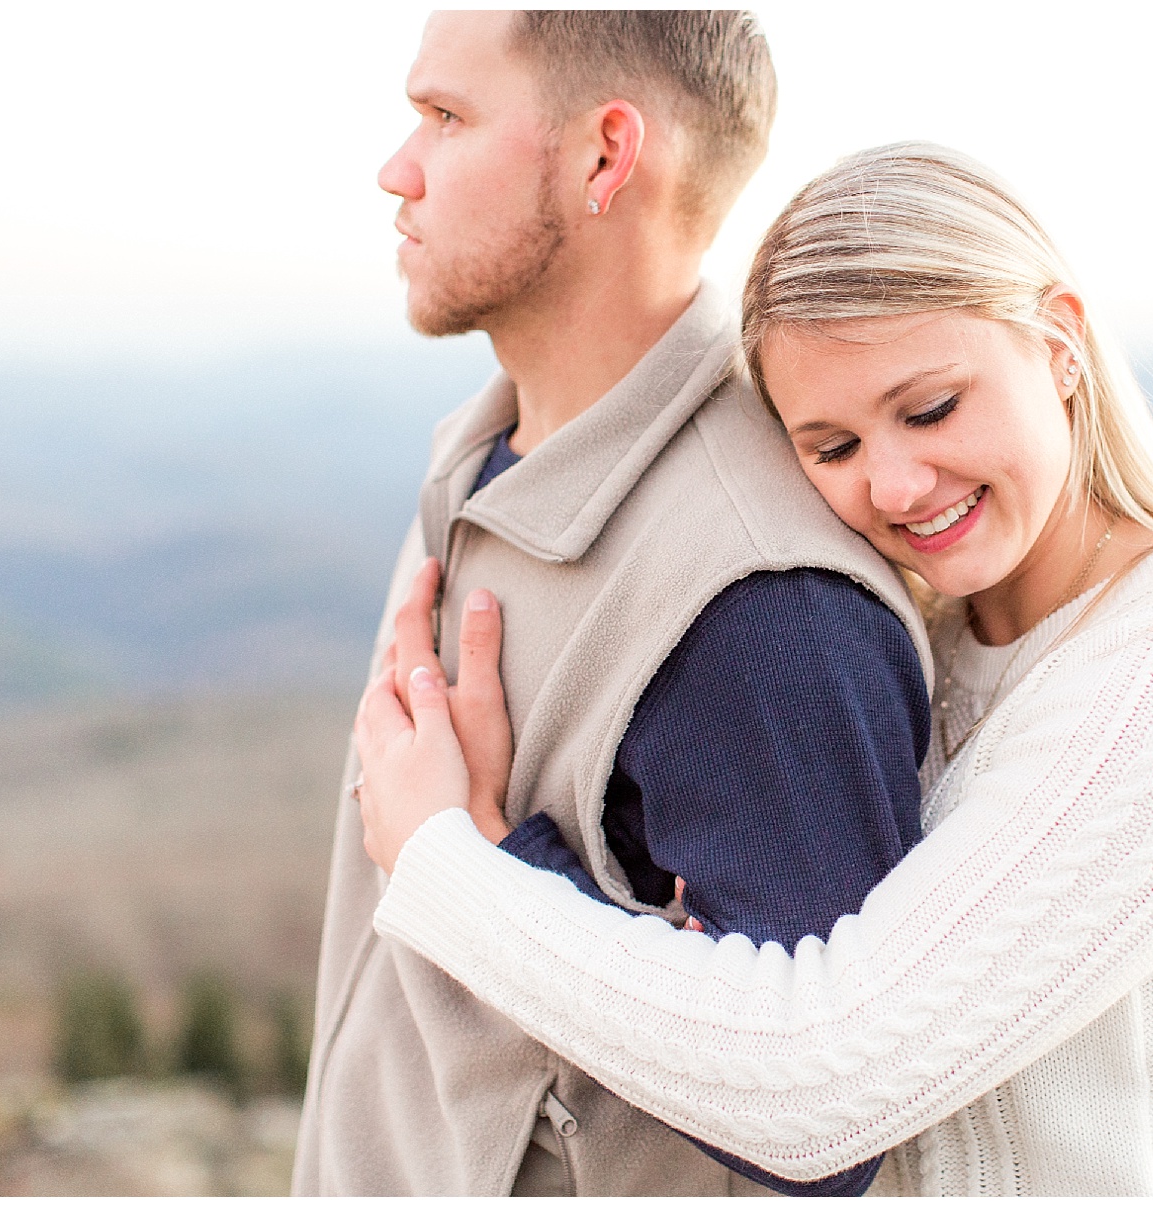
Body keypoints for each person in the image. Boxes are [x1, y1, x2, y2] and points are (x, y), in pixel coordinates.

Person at [353, 142, 1153, 1195]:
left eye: (931, 408)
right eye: (831, 446)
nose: (896, 484)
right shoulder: (925, 651)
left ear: (1060, 342)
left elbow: (815, 1092)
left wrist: (448, 862)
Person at [295, 13, 934, 1197]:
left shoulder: (759, 603)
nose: (398, 166)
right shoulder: (488, 456)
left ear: (604, 156)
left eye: (445, 117)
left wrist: (480, 862)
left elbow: (825, 1135)